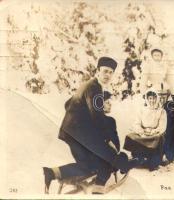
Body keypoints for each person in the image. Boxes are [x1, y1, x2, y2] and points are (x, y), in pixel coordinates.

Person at [43, 57, 134, 194]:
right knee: (107, 157)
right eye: (105, 71)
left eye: (110, 72)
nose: (107, 75)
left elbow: (68, 103)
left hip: (72, 132)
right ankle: (100, 185)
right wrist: (108, 140)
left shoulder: (89, 85)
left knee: (88, 165)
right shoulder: (94, 88)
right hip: (79, 134)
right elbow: (96, 116)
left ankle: (52, 172)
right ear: (97, 71)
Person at [123, 89, 167, 171]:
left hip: (154, 134)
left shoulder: (161, 111)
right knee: (130, 136)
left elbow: (162, 126)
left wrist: (154, 131)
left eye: (154, 98)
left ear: (157, 99)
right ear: (147, 99)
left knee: (159, 138)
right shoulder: (142, 110)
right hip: (143, 133)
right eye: (150, 98)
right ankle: (139, 156)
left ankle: (153, 160)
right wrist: (141, 132)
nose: (152, 100)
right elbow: (136, 123)